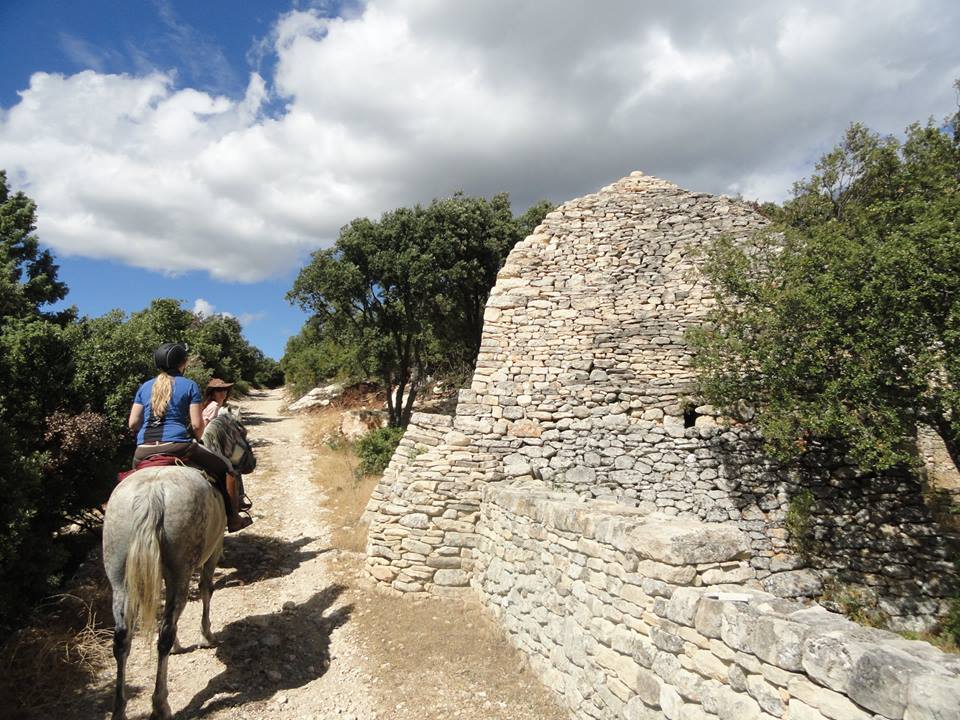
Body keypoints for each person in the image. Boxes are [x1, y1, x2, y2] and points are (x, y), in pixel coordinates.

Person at [128, 342, 252, 532]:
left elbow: (133, 423)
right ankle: (233, 519)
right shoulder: (189, 385)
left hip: (143, 450)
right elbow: (196, 424)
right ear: (183, 363)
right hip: (178, 446)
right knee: (227, 469)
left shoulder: (144, 387)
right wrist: (201, 439)